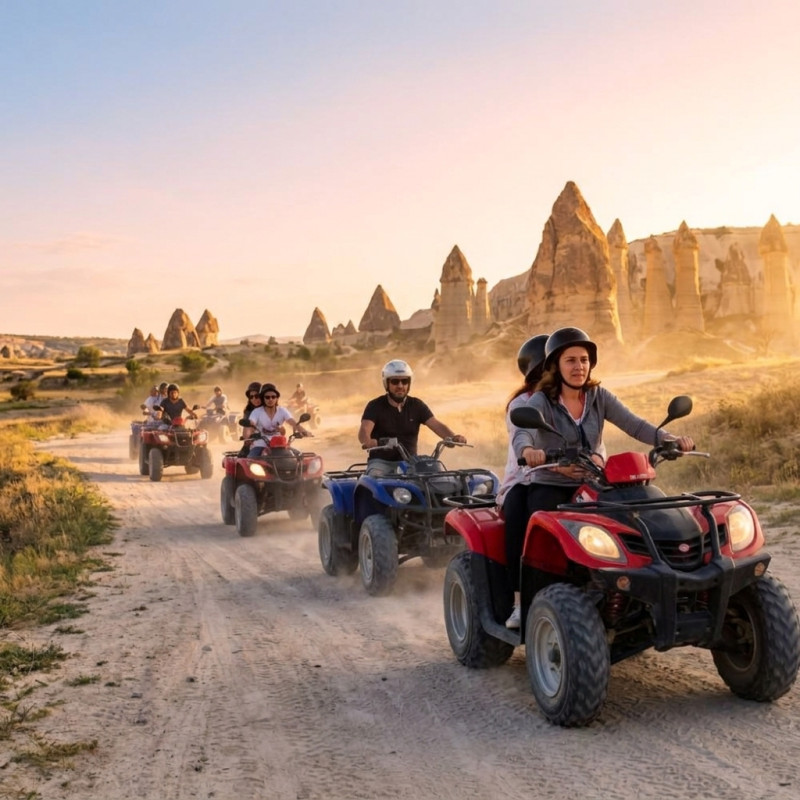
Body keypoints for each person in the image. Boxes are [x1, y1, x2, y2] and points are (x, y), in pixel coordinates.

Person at [504, 326, 695, 629]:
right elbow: (523, 434)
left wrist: (667, 438)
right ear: (556, 365)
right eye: (570, 360)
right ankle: (525, 604)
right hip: (551, 484)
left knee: (632, 517)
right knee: (537, 529)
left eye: (583, 359)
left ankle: (634, 587)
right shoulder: (541, 401)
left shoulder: (598, 396)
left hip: (592, 483)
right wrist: (530, 450)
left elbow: (634, 424)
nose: (578, 366)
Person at [358, 359, 466, 475]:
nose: (400, 386)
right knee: (376, 480)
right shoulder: (375, 405)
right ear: (387, 383)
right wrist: (368, 441)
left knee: (435, 481)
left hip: (411, 464)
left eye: (404, 381)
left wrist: (453, 437)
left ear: (409, 383)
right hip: (381, 463)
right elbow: (364, 430)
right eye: (395, 382)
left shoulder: (417, 405)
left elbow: (436, 424)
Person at [247, 383, 309, 459]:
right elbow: (251, 424)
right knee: (251, 459)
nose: (270, 399)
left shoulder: (282, 411)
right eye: (267, 397)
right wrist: (249, 433)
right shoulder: (256, 412)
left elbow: (293, 422)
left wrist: (303, 431)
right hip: (261, 445)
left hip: (281, 446)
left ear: (277, 398)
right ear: (263, 398)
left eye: (273, 397)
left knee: (300, 457)